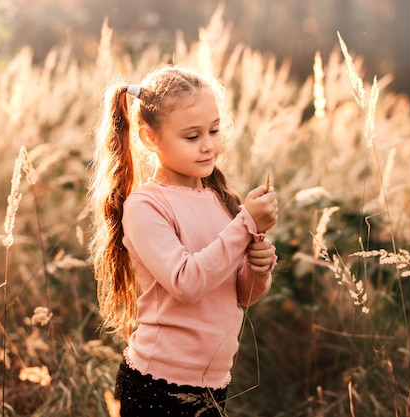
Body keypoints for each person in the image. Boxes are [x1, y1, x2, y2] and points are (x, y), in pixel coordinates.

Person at [88, 65, 278, 417]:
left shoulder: (222, 199)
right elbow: (186, 283)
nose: (208, 146)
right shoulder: (146, 206)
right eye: (192, 137)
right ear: (150, 138)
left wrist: (258, 266)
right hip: (157, 385)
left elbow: (242, 295)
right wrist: (246, 224)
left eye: (214, 130)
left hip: (214, 382)